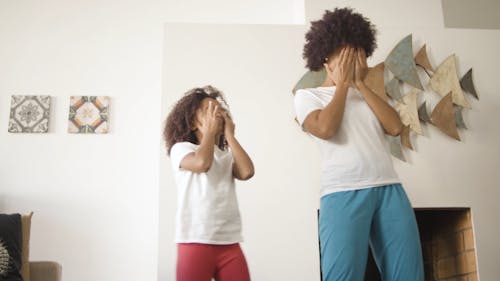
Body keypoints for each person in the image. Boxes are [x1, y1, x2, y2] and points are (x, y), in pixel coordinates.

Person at [294, 8, 424, 281]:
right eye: (345, 52)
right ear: (326, 56)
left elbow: (395, 126)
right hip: (343, 192)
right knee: (342, 276)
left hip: (389, 189)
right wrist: (342, 86)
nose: (353, 58)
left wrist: (361, 85)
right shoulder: (308, 96)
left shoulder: (366, 95)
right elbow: (326, 129)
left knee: (409, 274)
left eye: (358, 52)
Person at [164, 86, 254, 281]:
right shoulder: (181, 149)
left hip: (229, 242)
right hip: (194, 240)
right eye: (208, 110)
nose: (216, 114)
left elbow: (247, 172)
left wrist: (230, 136)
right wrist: (210, 135)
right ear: (193, 122)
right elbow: (202, 163)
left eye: (219, 109)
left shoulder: (226, 156)